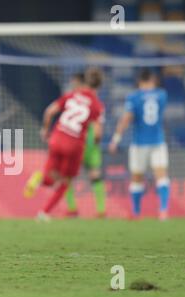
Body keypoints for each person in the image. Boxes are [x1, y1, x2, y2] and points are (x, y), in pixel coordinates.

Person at [24, 68, 105, 221]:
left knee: (51, 177)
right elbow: (98, 134)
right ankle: (43, 213)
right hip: (74, 144)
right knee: (65, 182)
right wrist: (94, 143)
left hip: (57, 137)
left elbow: (49, 112)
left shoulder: (72, 95)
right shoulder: (97, 105)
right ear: (100, 86)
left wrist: (46, 131)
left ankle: (37, 178)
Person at [109, 69, 169, 220]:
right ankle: (163, 211)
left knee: (137, 178)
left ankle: (136, 212)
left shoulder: (134, 97)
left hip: (139, 143)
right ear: (152, 80)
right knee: (161, 176)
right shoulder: (162, 95)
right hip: (158, 142)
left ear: (139, 81)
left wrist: (116, 138)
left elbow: (126, 118)